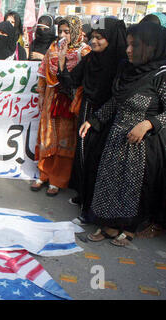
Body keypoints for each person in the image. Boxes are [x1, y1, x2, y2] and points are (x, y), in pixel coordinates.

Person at [79, 22, 166, 246]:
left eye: (135, 46)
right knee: (109, 181)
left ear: (151, 47)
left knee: (133, 186)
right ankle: (109, 225)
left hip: (143, 143)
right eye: (127, 45)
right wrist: (93, 120)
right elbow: (116, 101)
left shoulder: (161, 74)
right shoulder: (126, 68)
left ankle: (128, 228)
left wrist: (148, 123)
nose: (128, 50)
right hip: (117, 136)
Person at [56, 17, 127, 225]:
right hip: (86, 114)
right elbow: (72, 81)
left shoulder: (120, 64)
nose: (94, 42)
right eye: (92, 37)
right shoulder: (90, 60)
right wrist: (62, 63)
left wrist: (99, 118)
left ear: (111, 39)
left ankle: (91, 211)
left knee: (98, 162)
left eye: (100, 38)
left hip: (108, 119)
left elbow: (118, 96)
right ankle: (85, 199)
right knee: (84, 156)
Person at [30, 15, 91, 196]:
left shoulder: (84, 51)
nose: (63, 35)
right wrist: (41, 94)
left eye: (67, 31)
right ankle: (43, 174)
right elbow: (43, 72)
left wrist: (65, 61)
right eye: (60, 31)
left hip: (69, 100)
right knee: (48, 136)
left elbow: (82, 78)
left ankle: (57, 180)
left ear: (76, 32)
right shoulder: (53, 47)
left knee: (65, 140)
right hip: (51, 97)